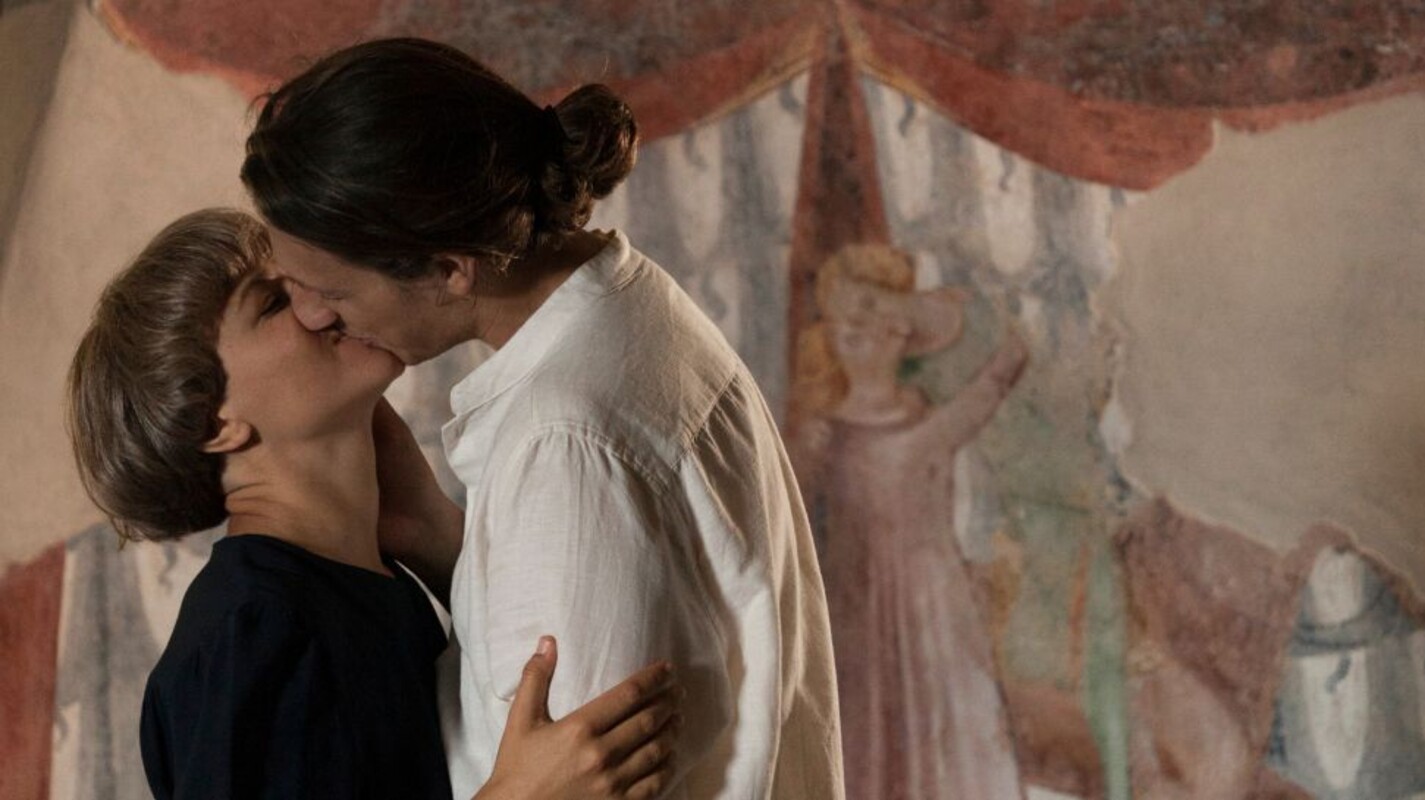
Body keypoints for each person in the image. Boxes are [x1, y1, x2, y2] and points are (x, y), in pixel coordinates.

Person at [241, 37, 844, 799]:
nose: (311, 315)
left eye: (331, 291)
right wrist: (441, 542)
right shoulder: (633, 306)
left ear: (449, 268)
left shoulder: (565, 443)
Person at [66, 209, 682, 800]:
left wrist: (435, 538)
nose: (318, 298)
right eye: (273, 302)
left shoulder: (375, 583)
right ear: (214, 423)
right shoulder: (248, 630)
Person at [793, 244, 1028, 799]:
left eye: (874, 317)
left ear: (902, 333)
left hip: (931, 605)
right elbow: (783, 517)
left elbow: (999, 375)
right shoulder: (821, 432)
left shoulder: (927, 420)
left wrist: (992, 302)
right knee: (860, 741)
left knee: (947, 738)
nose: (858, 333)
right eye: (846, 320)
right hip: (854, 603)